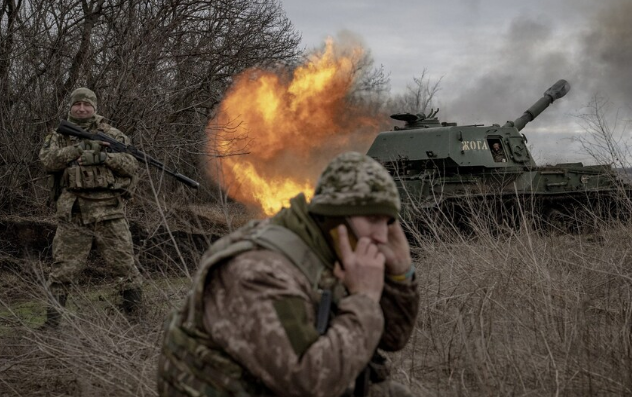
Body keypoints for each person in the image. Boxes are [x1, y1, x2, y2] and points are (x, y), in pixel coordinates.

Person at [157, 152, 420, 397]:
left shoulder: (333, 249)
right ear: (336, 218)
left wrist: (400, 272)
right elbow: (307, 384)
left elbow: (392, 337)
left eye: (387, 222)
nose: (382, 236)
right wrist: (363, 299)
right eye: (373, 220)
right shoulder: (259, 271)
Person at [39, 87, 143, 327]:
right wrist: (79, 149)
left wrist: (104, 157)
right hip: (74, 213)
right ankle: (51, 325)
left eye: (87, 105)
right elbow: (47, 161)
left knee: (125, 267)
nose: (82, 108)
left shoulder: (111, 134)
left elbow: (131, 165)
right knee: (62, 271)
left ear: (95, 108)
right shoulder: (58, 135)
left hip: (110, 212)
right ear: (71, 107)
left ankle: (136, 321)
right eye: (78, 104)